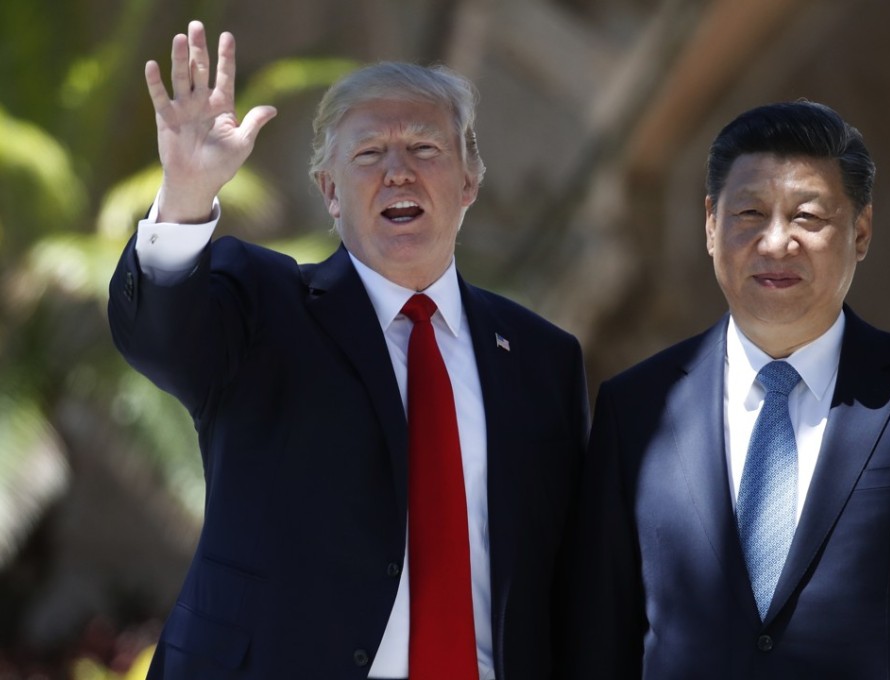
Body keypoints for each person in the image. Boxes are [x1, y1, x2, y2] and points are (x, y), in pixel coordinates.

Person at [108, 20, 588, 680]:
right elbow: (161, 335)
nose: (398, 171)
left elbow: (566, 574)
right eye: (368, 154)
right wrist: (187, 194)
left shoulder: (541, 358)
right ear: (330, 192)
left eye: (424, 147)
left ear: (469, 181)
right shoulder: (265, 307)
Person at [561, 100, 890, 678]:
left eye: (808, 217)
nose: (776, 243)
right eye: (750, 213)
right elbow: (598, 646)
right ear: (711, 225)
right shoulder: (636, 409)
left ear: (861, 231)